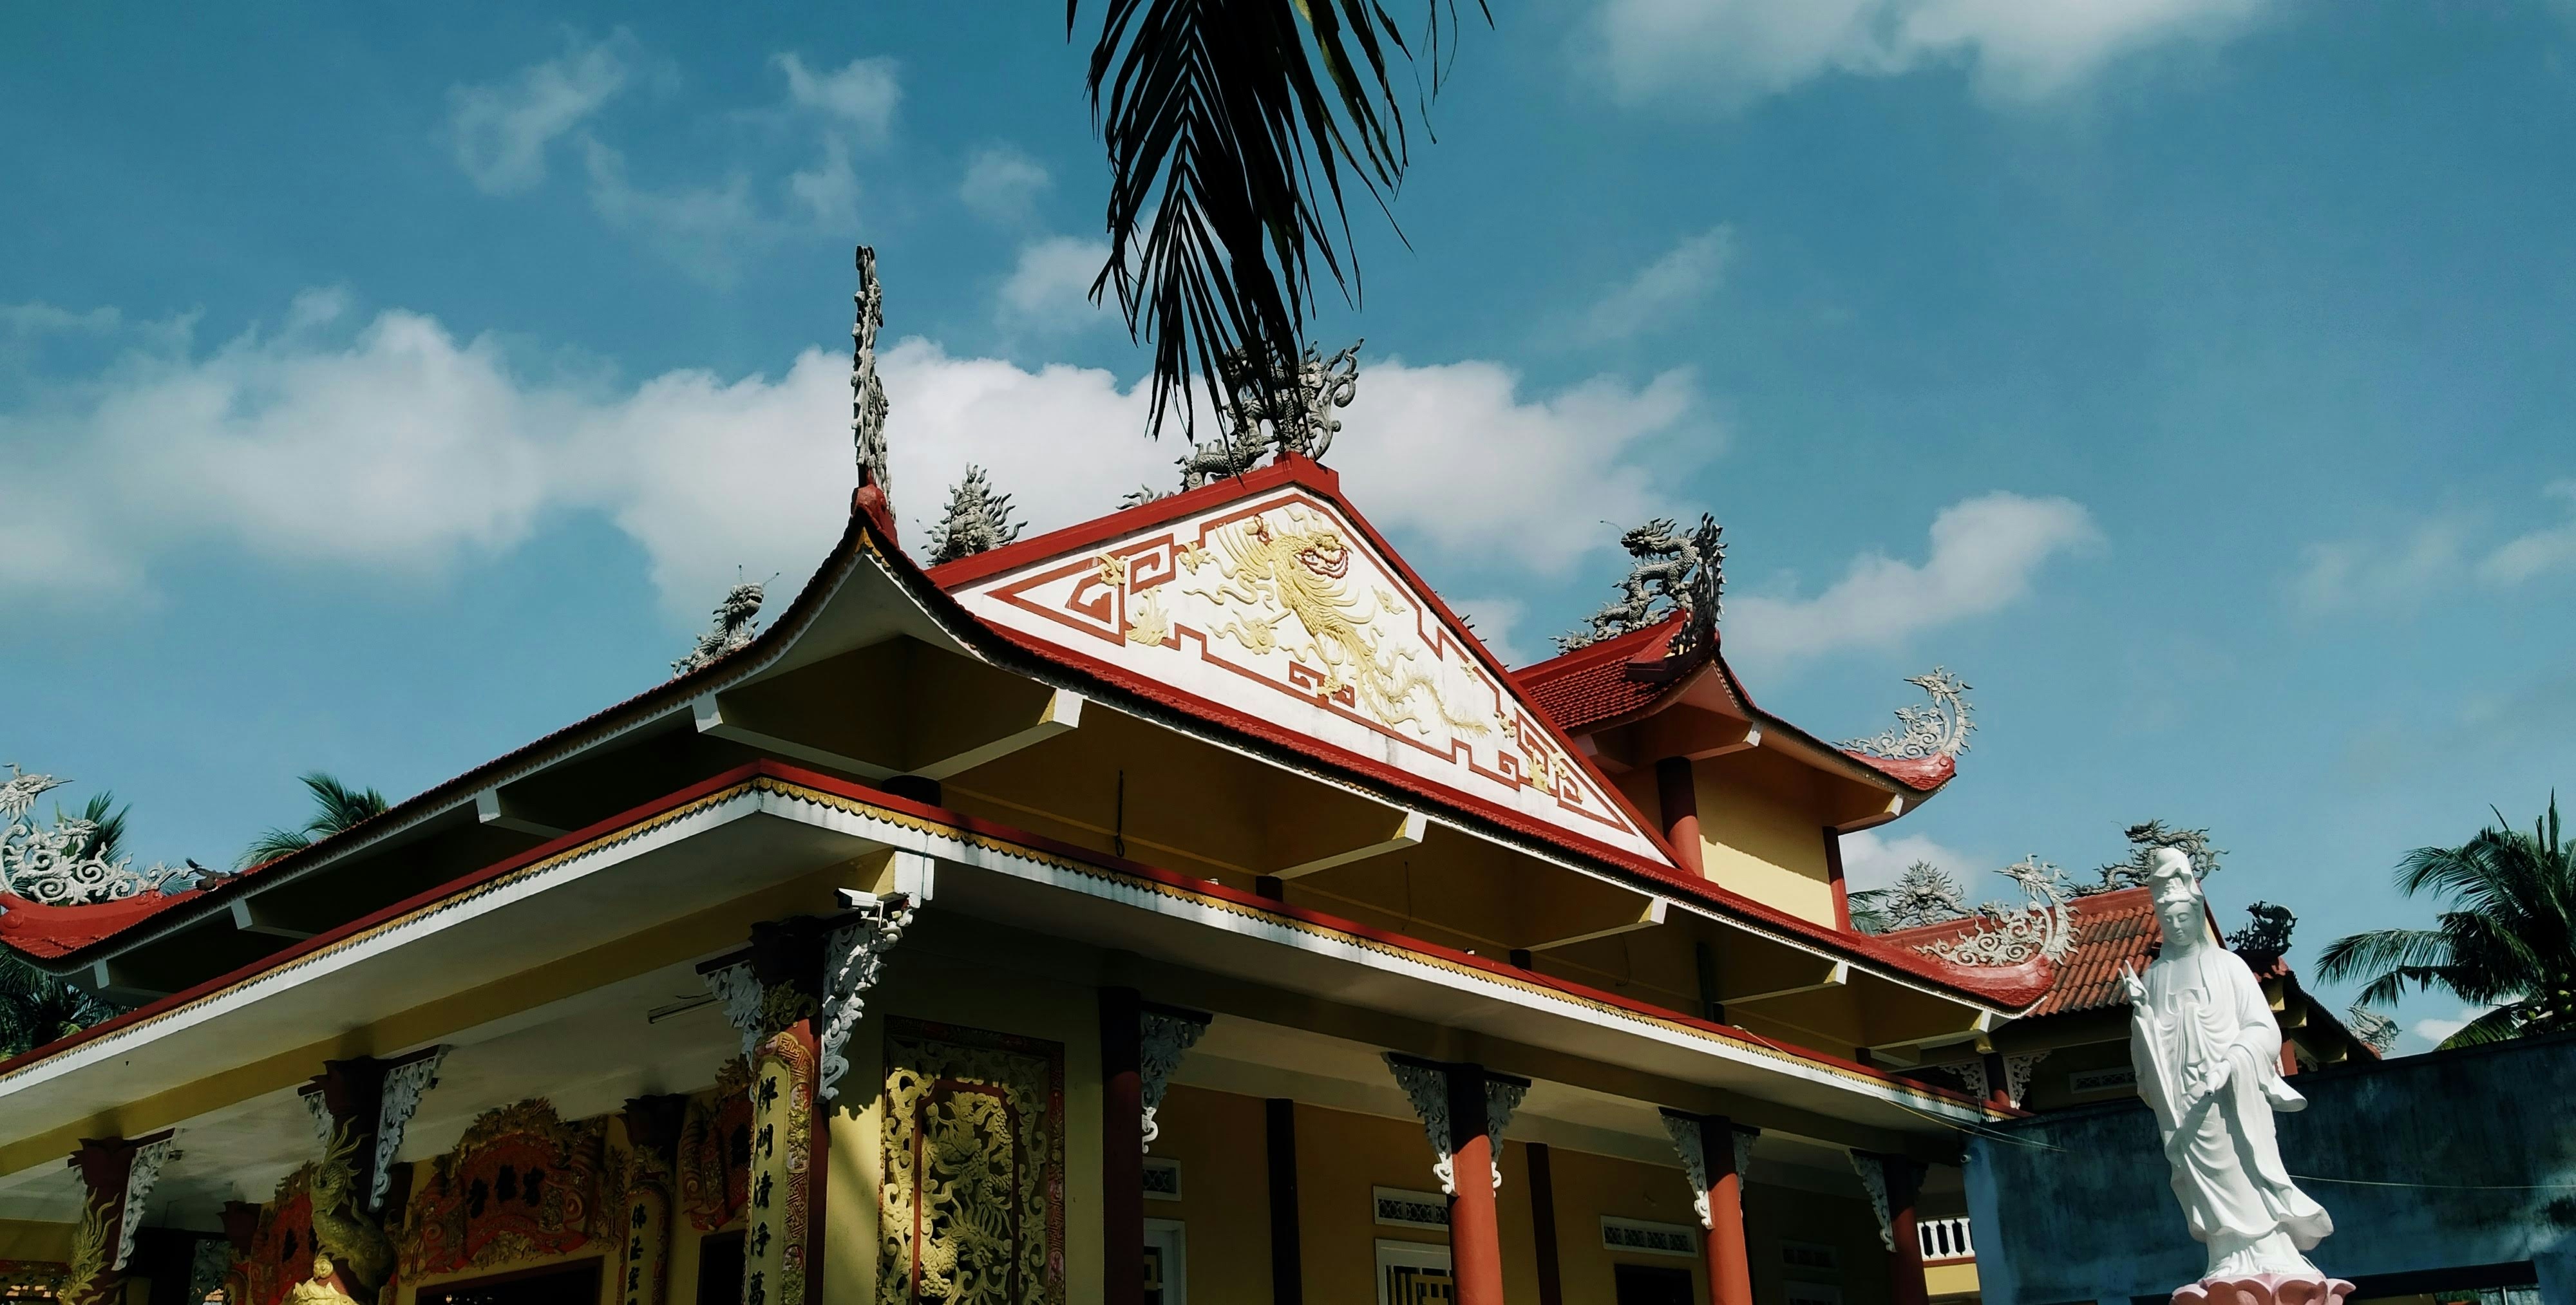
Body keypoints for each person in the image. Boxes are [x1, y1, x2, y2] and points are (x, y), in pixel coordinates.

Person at [2122, 847, 2334, 1277]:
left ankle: (2270, 1249)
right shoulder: (2155, 977)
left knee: (2245, 1165)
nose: (2178, 926)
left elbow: (2263, 1029)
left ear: (2198, 915)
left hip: (2230, 1094)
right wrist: (2143, 1013)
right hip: (2184, 1098)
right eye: (2170, 920)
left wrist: (2231, 1062)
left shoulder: (2228, 965)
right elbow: (2148, 1056)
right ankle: (2225, 1249)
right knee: (2201, 1175)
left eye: (2185, 918)